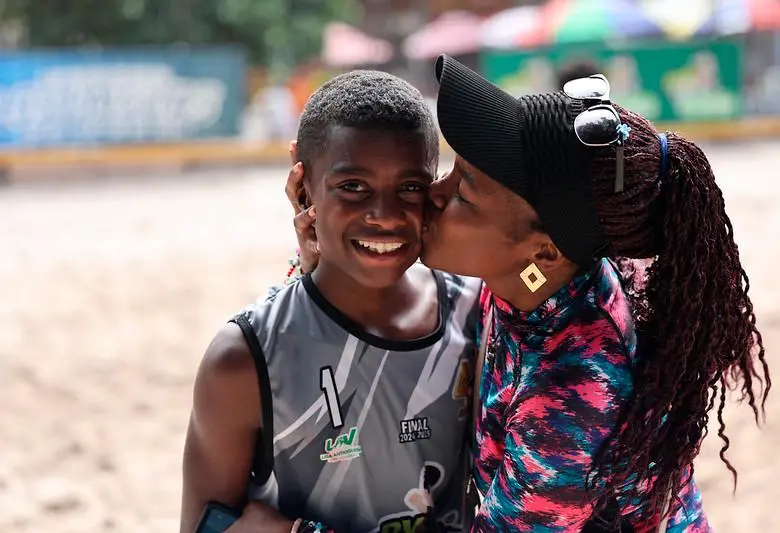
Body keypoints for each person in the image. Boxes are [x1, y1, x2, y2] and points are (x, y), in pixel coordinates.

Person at [287, 56, 770, 532]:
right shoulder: (535, 283)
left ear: (543, 253)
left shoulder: (575, 393)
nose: (434, 191)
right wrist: (319, 255)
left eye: (463, 194)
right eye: (453, 171)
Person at [180, 70, 481, 533]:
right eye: (353, 187)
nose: (384, 216)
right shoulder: (245, 360)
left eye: (410, 188)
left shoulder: (477, 318)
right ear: (303, 190)